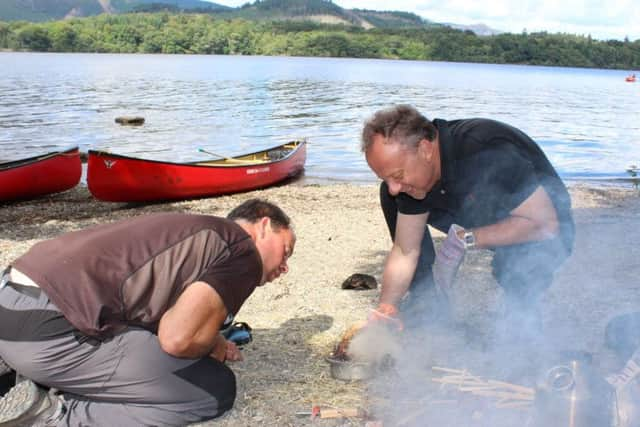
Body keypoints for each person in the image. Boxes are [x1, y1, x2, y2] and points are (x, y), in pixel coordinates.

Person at [0, 198, 295, 426]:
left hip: (10, 304)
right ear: (263, 226)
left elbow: (151, 308)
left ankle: (26, 377)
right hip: (48, 331)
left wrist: (211, 337)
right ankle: (49, 413)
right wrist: (207, 346)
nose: (285, 267)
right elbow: (178, 339)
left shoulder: (193, 231)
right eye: (286, 250)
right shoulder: (242, 250)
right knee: (212, 389)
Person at [360, 105, 574, 336]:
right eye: (386, 177)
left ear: (425, 149)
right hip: (475, 212)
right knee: (391, 197)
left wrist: (466, 239)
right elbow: (405, 250)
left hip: (544, 226)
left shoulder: (484, 150)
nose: (394, 187)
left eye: (397, 175)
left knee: (515, 271)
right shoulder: (413, 180)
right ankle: (427, 301)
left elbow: (546, 224)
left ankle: (522, 316)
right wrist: (387, 307)